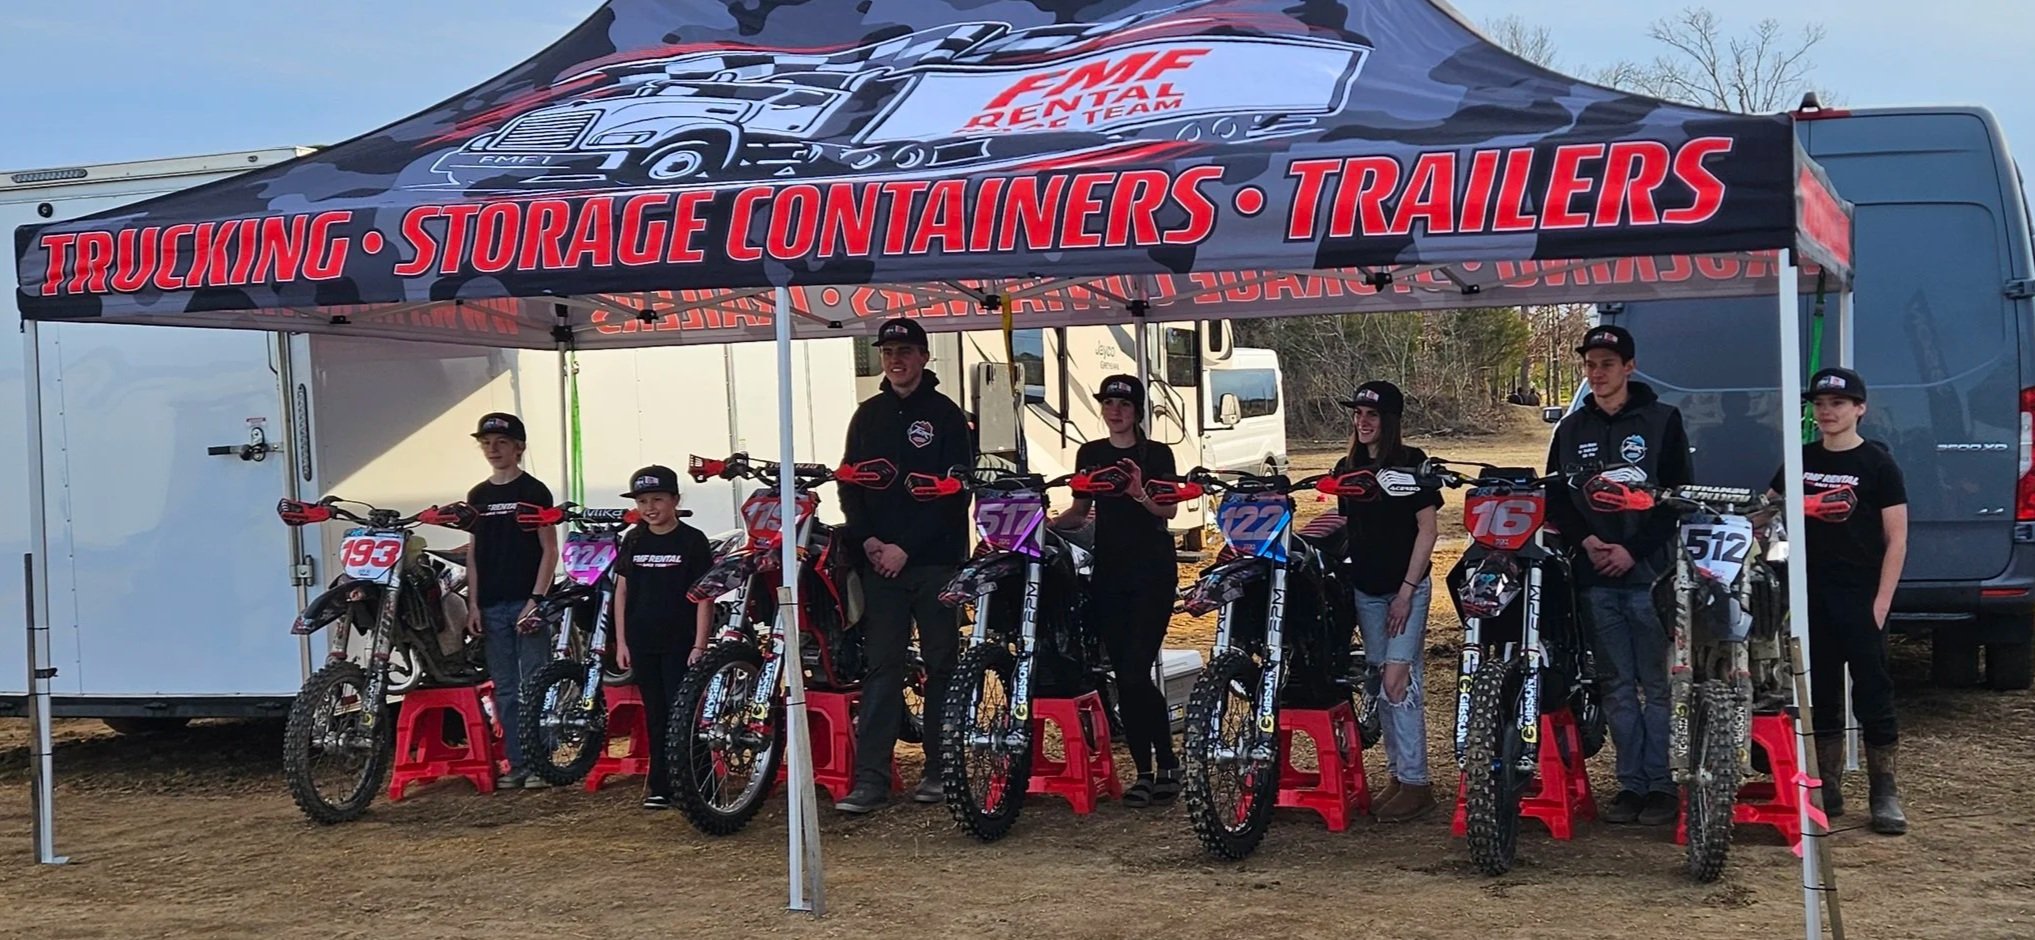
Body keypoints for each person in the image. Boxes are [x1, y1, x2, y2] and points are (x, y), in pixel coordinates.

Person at [1544, 325, 1692, 827]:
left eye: (1607, 364)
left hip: (1649, 576)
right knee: (1616, 686)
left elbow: (1676, 498)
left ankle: (1663, 785)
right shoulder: (1570, 429)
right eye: (1590, 364)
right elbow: (1556, 498)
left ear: (1629, 366)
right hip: (1595, 577)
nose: (1597, 373)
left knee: (1658, 685)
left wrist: (1632, 550)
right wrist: (1588, 542)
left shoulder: (1662, 420)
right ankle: (1630, 784)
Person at [834, 317, 974, 813]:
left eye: (905, 352)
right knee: (881, 669)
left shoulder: (947, 415)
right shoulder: (867, 415)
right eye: (888, 352)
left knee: (941, 666)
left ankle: (939, 769)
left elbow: (957, 495)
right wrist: (868, 539)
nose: (895, 361)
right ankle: (871, 780)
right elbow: (849, 482)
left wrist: (906, 549)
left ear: (924, 357)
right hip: (879, 564)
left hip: (934, 563)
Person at [1768, 367, 1909, 835]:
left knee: (1873, 691)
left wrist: (1882, 602)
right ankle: (1827, 786)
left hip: (1861, 594)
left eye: (1838, 404)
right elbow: (1764, 508)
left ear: (1859, 408)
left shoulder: (1878, 464)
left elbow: (1897, 538)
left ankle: (1884, 791)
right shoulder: (1800, 458)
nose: (1827, 412)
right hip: (1810, 593)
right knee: (1822, 692)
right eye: (1820, 404)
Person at [1298, 381, 1442, 821]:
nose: (1362, 422)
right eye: (1358, 414)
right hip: (1367, 589)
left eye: (1372, 415)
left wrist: (1407, 591)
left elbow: (1428, 530)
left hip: (1405, 589)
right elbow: (1349, 527)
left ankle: (1417, 782)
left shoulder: (1412, 462)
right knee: (1381, 682)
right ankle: (1398, 775)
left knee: (1401, 680)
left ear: (1389, 421)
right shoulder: (1347, 467)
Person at [1050, 374, 1181, 806]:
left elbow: (1168, 510)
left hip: (1152, 573)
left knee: (1135, 670)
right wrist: (1042, 526)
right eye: (1108, 403)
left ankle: (1167, 763)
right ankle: (1147, 772)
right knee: (1125, 676)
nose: (1115, 411)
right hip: (1109, 574)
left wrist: (1139, 492)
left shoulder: (1157, 454)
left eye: (1124, 404)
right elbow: (1079, 511)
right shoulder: (1090, 454)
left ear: (1137, 411)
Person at [611, 465, 714, 811]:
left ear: (675, 500)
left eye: (657, 499)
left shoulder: (692, 540)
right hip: (642, 640)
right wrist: (621, 641)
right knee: (655, 714)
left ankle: (700, 785)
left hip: (680, 642)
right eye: (642, 501)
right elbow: (622, 592)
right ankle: (661, 786)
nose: (650, 508)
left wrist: (700, 644)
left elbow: (706, 594)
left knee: (683, 714)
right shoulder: (634, 539)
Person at [465, 412, 560, 789]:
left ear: (518, 448)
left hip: (526, 600)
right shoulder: (478, 496)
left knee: (535, 682)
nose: (493, 449)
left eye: (501, 443)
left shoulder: (534, 491)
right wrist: (473, 603)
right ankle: (518, 762)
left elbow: (549, 549)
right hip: (491, 602)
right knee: (504, 688)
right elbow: (473, 553)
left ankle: (542, 759)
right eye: (486, 443)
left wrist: (537, 598)